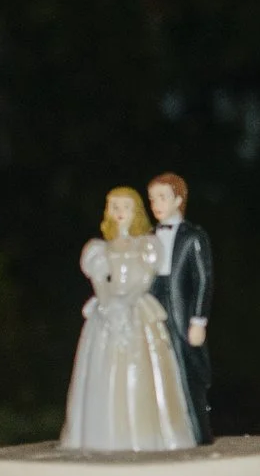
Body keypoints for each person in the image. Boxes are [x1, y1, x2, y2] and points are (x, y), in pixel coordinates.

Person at [61, 186, 197, 451]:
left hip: (136, 304)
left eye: (126, 207)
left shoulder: (146, 245)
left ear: (136, 211)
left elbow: (145, 278)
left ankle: (149, 434)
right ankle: (101, 433)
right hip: (109, 306)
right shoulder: (99, 248)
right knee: (104, 364)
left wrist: (127, 301)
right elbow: (99, 278)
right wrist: (109, 303)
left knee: (144, 365)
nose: (120, 212)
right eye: (115, 207)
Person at [147, 170, 214, 439]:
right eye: (152, 199)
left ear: (178, 200)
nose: (156, 205)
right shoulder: (148, 237)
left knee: (187, 374)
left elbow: (204, 279)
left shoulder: (193, 236)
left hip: (181, 312)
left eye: (162, 198)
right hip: (152, 309)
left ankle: (197, 432)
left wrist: (198, 320)